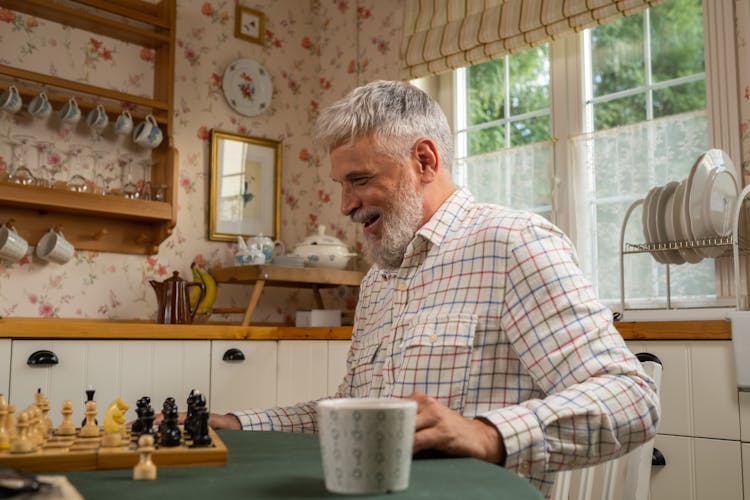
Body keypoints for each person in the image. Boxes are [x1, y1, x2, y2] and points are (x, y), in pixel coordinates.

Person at [208, 80, 660, 497]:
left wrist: (486, 434)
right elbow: (358, 417)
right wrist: (239, 424)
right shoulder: (378, 281)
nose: (345, 204)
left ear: (424, 160)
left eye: (360, 180)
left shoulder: (512, 244)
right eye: (342, 185)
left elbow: (630, 399)